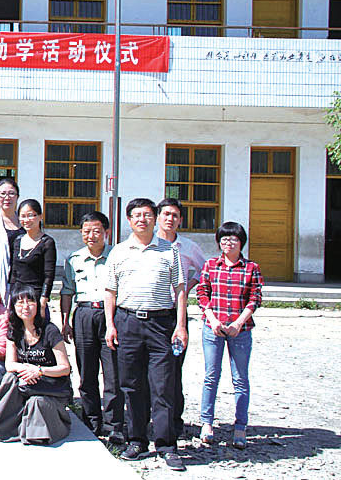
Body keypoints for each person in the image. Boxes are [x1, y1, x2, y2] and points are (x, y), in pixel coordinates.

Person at [104, 198, 188, 471]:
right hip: (127, 322)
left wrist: (181, 325)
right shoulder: (118, 251)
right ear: (129, 220)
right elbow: (110, 291)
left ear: (155, 218)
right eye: (137, 215)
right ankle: (137, 440)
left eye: (147, 215)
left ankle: (166, 445)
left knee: (163, 386)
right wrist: (110, 325)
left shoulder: (169, 250)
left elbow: (180, 290)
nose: (142, 219)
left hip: (161, 324)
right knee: (132, 385)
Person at [196, 222, 262, 450]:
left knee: (240, 379)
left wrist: (238, 323)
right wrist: (212, 319)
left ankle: (240, 426)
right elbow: (202, 294)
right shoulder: (210, 265)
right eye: (224, 239)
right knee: (211, 376)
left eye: (233, 239)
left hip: (240, 331)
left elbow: (255, 298)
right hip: (213, 328)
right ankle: (206, 423)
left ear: (241, 242)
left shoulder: (251, 268)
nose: (228, 243)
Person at [60, 211, 124, 443]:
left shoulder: (117, 256)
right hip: (84, 314)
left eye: (96, 231)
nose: (91, 235)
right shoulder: (74, 259)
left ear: (106, 232)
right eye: (86, 231)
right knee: (86, 371)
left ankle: (114, 424)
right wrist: (65, 321)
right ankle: (91, 420)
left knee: (113, 373)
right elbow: (67, 291)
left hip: (110, 315)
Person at [0, 286, 73, 445]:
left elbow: (65, 368)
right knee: (10, 378)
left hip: (51, 387)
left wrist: (39, 371)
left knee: (37, 402)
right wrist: (27, 370)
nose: (25, 307)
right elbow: (10, 364)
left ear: (37, 305)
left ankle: (44, 428)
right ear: (13, 307)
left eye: (30, 302)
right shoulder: (14, 331)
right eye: (20, 303)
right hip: (29, 383)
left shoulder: (50, 330)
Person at [156, 197, 209, 438]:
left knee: (174, 369)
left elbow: (204, 270)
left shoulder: (188, 247)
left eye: (175, 215)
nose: (170, 219)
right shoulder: (148, 243)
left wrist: (188, 287)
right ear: (158, 217)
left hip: (176, 314)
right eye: (166, 214)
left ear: (181, 220)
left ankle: (174, 422)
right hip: (151, 313)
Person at [9, 199, 57, 322]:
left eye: (30, 215)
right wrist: (11, 297)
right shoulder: (17, 240)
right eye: (23, 216)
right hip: (18, 298)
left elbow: (49, 275)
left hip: (35, 298)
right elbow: (14, 273)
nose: (26, 220)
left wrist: (43, 301)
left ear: (40, 217)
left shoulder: (47, 242)